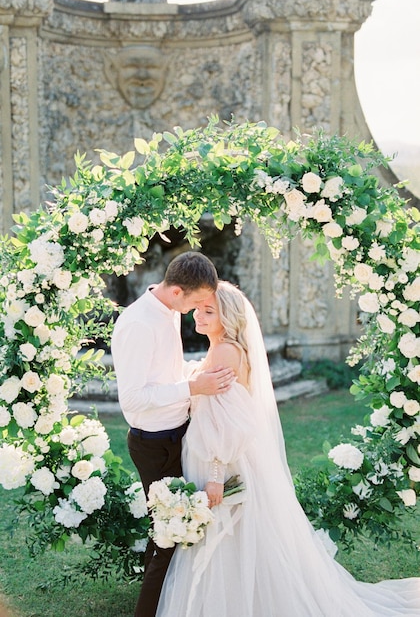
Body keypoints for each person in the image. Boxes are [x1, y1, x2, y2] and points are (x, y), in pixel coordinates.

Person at [156, 281, 420, 617]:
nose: (198, 314)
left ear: (229, 317)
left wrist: (216, 475)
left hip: (222, 462)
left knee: (227, 535)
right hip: (225, 457)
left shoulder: (224, 352)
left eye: (210, 310)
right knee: (239, 538)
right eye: (199, 307)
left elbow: (228, 424)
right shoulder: (225, 348)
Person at [111, 252, 235, 617]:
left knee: (178, 529)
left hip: (176, 434)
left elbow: (163, 372)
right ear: (178, 290)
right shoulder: (139, 324)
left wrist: (195, 371)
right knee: (169, 534)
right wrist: (193, 387)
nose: (199, 310)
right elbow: (134, 397)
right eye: (197, 302)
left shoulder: (168, 311)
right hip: (154, 443)